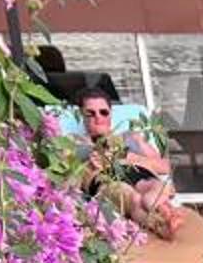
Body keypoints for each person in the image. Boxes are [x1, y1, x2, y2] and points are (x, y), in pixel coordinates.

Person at [74, 83, 181, 240]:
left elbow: (164, 166)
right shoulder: (74, 142)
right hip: (105, 178)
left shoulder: (131, 136)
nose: (98, 118)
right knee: (133, 199)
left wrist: (125, 157)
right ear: (81, 115)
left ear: (111, 114)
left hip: (140, 173)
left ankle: (161, 211)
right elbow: (67, 175)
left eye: (103, 112)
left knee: (152, 189)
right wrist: (89, 163)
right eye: (90, 113)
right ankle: (162, 223)